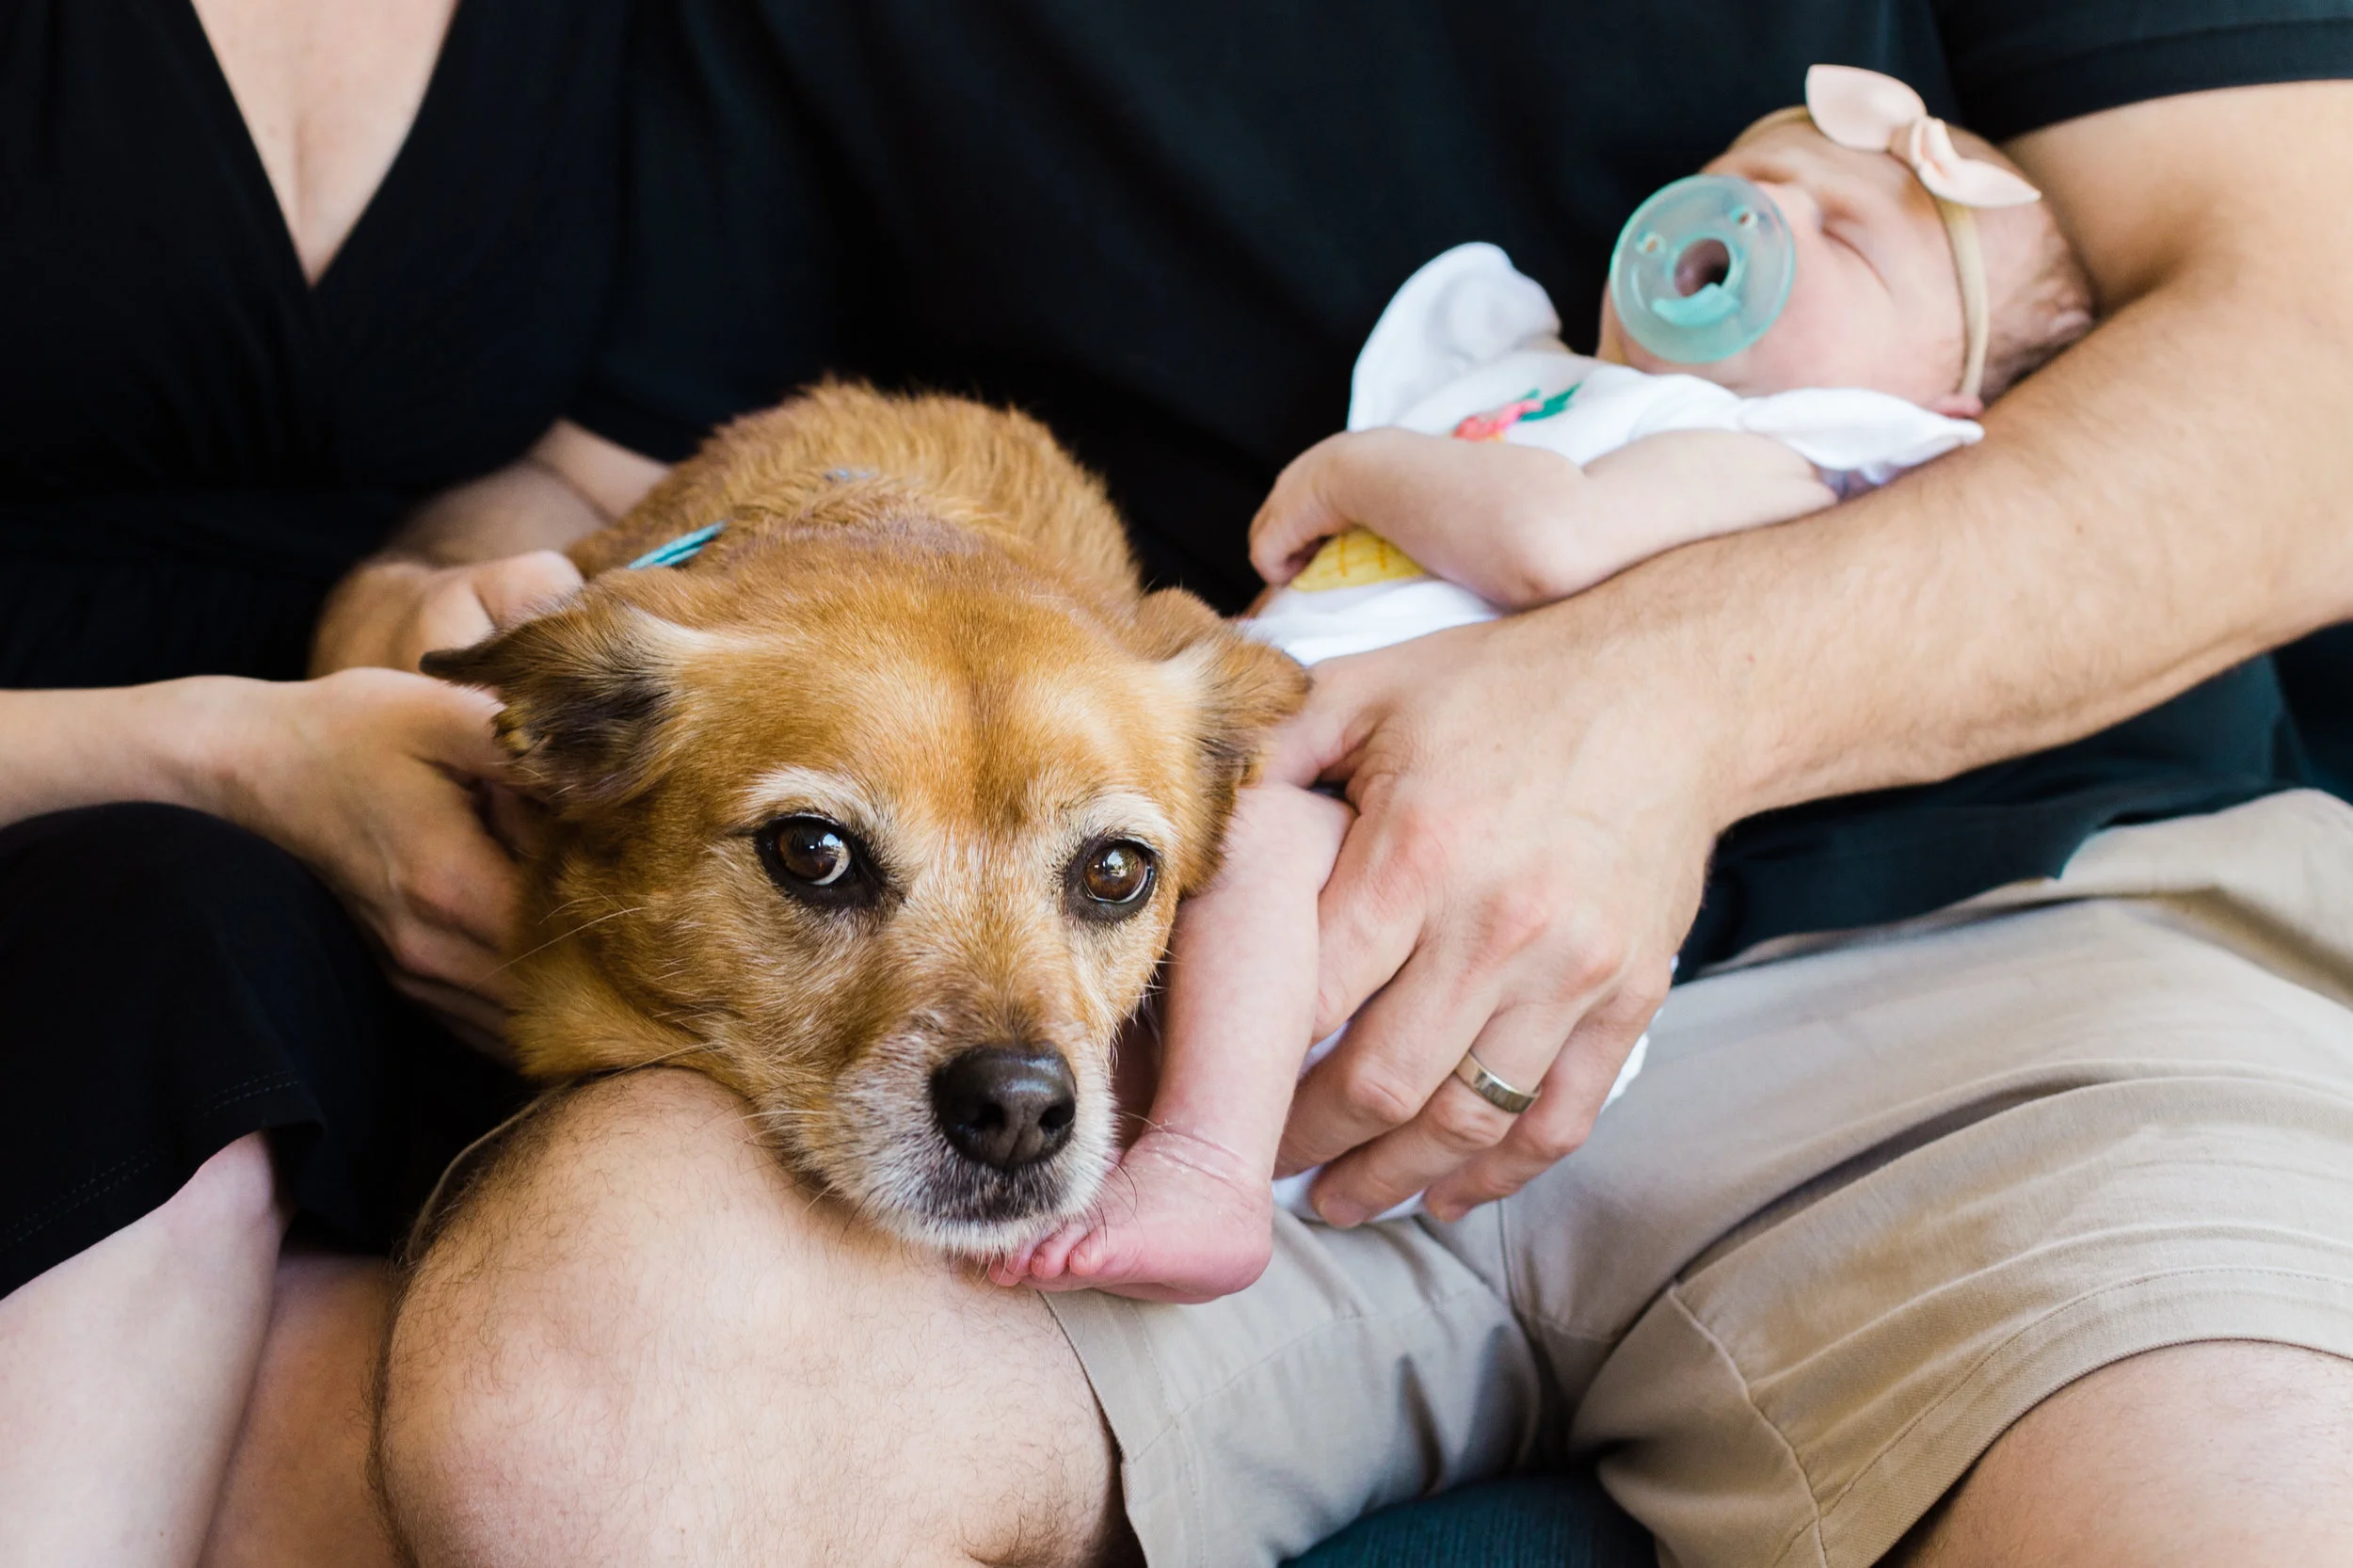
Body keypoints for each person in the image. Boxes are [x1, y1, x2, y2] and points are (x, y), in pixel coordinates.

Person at [352, 4, 2353, 1565]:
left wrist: (1649, 711)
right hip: (1173, 1034)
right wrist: (419, 626)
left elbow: (2314, 357)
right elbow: (575, 485)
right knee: (581, 1413)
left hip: (1991, 956)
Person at [1001, 70, 2098, 1302]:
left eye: (1844, 237)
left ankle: (1206, 1167)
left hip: (1430, 889)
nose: (1768, 219)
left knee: (1243, 845)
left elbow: (1550, 542)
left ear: (1927, 402)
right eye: (1749, 182)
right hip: (1313, 785)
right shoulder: (1535, 382)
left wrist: (1353, 471)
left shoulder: (1772, 457)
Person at [0, 2, 642, 1562]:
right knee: (170, 946)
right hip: (81, 824)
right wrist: (231, 753)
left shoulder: (673, 45)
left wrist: (440, 605)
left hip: (395, 842)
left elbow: (613, 472)